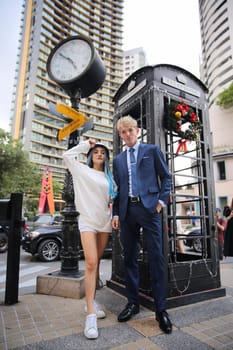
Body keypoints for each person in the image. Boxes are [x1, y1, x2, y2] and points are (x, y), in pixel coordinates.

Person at [112, 115, 173, 334]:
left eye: (130, 130)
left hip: (149, 209)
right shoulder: (118, 160)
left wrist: (160, 202)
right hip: (128, 212)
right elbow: (117, 190)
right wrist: (116, 213)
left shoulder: (151, 150)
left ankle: (160, 310)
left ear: (137, 131)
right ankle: (133, 303)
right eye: (123, 132)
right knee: (129, 258)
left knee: (156, 257)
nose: (127, 134)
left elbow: (166, 178)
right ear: (120, 135)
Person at [63, 139, 117, 340]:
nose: (100, 154)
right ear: (90, 154)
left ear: (106, 157)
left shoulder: (110, 178)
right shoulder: (80, 171)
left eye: (103, 152)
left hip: (104, 222)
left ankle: (91, 301)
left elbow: (114, 200)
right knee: (91, 263)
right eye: (96, 151)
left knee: (96, 265)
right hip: (87, 222)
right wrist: (86, 144)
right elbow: (66, 156)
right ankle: (91, 316)